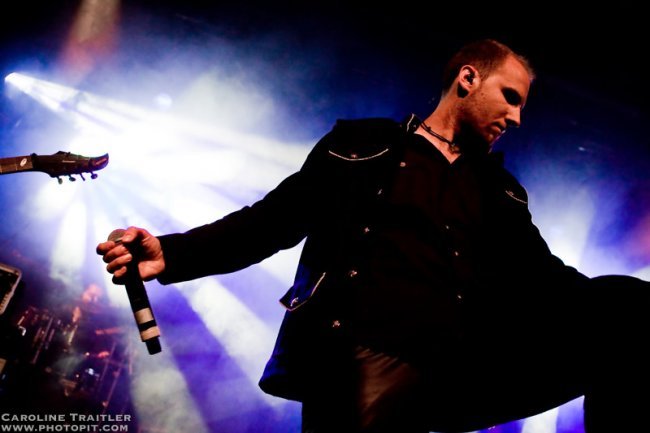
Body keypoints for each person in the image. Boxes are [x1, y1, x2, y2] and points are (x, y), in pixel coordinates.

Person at [96, 39, 650, 433]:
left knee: (629, 310)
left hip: (456, 368)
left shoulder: (500, 192)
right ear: (468, 78)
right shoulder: (362, 147)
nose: (518, 117)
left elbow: (549, 282)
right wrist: (171, 252)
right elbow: (271, 220)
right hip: (358, 355)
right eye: (511, 96)